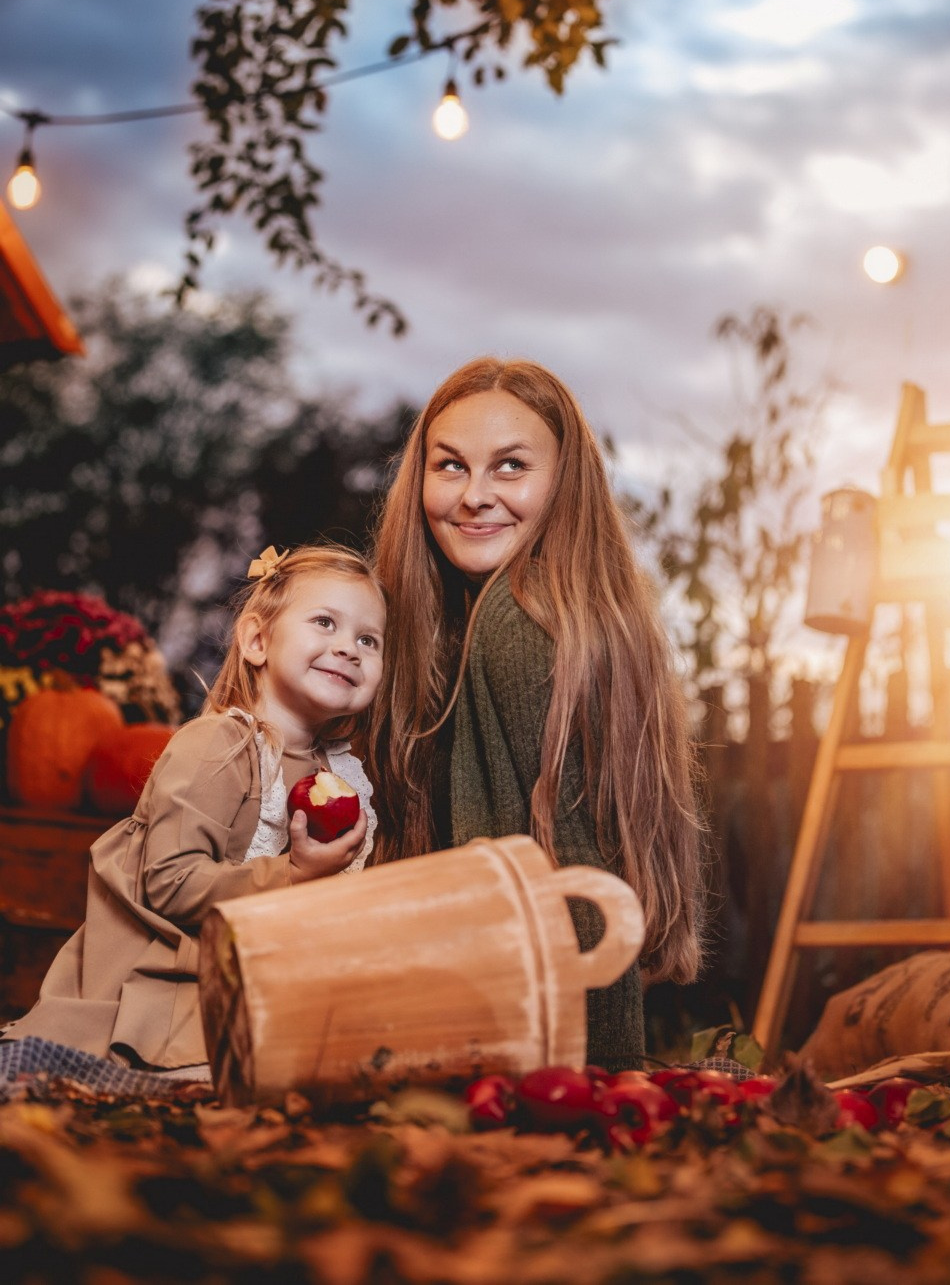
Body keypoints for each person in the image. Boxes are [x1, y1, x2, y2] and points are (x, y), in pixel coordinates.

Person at [369, 358, 705, 1071]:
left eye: (511, 467)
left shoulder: (514, 622)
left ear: (565, 483)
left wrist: (597, 1084)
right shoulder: (561, 613)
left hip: (530, 1056)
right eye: (451, 466)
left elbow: (579, 880)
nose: (474, 497)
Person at [2, 543, 385, 1072]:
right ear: (256, 640)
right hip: (176, 978)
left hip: (274, 976)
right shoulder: (217, 745)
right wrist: (293, 875)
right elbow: (170, 882)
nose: (349, 648)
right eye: (325, 622)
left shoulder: (341, 776)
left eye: (369, 639)